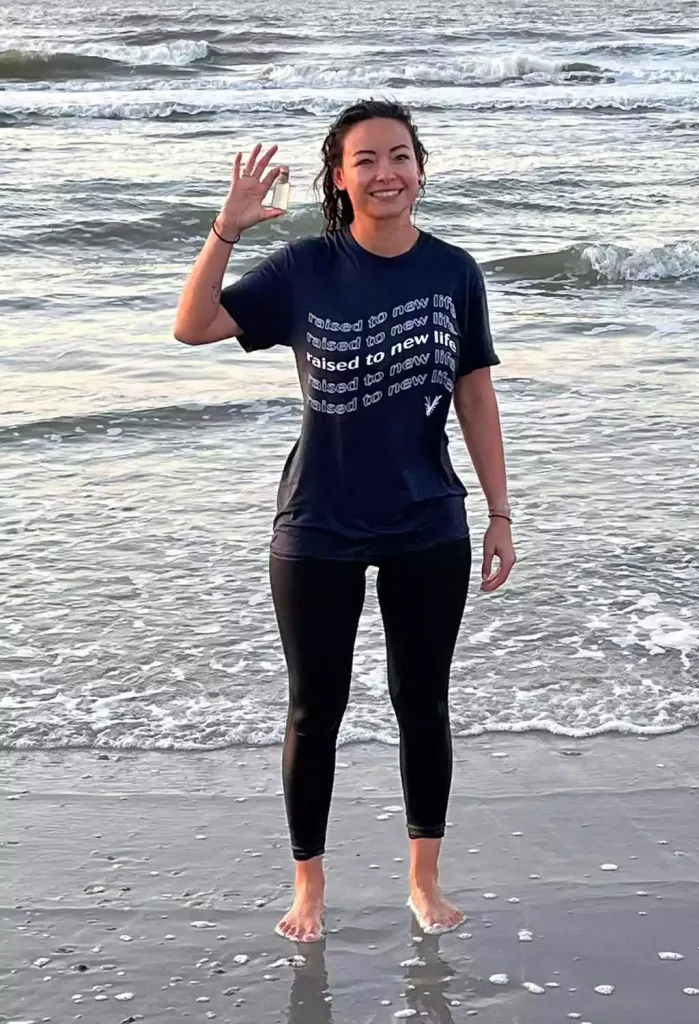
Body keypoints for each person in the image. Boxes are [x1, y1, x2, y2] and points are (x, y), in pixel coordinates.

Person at [174, 98, 517, 943]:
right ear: (339, 178)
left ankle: (424, 881)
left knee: (421, 702)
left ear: (421, 171)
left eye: (400, 155)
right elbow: (193, 327)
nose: (385, 172)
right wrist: (226, 230)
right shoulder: (304, 268)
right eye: (365, 159)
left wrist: (501, 511)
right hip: (318, 520)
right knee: (312, 709)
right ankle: (309, 887)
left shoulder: (454, 272)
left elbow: (475, 392)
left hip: (426, 518)